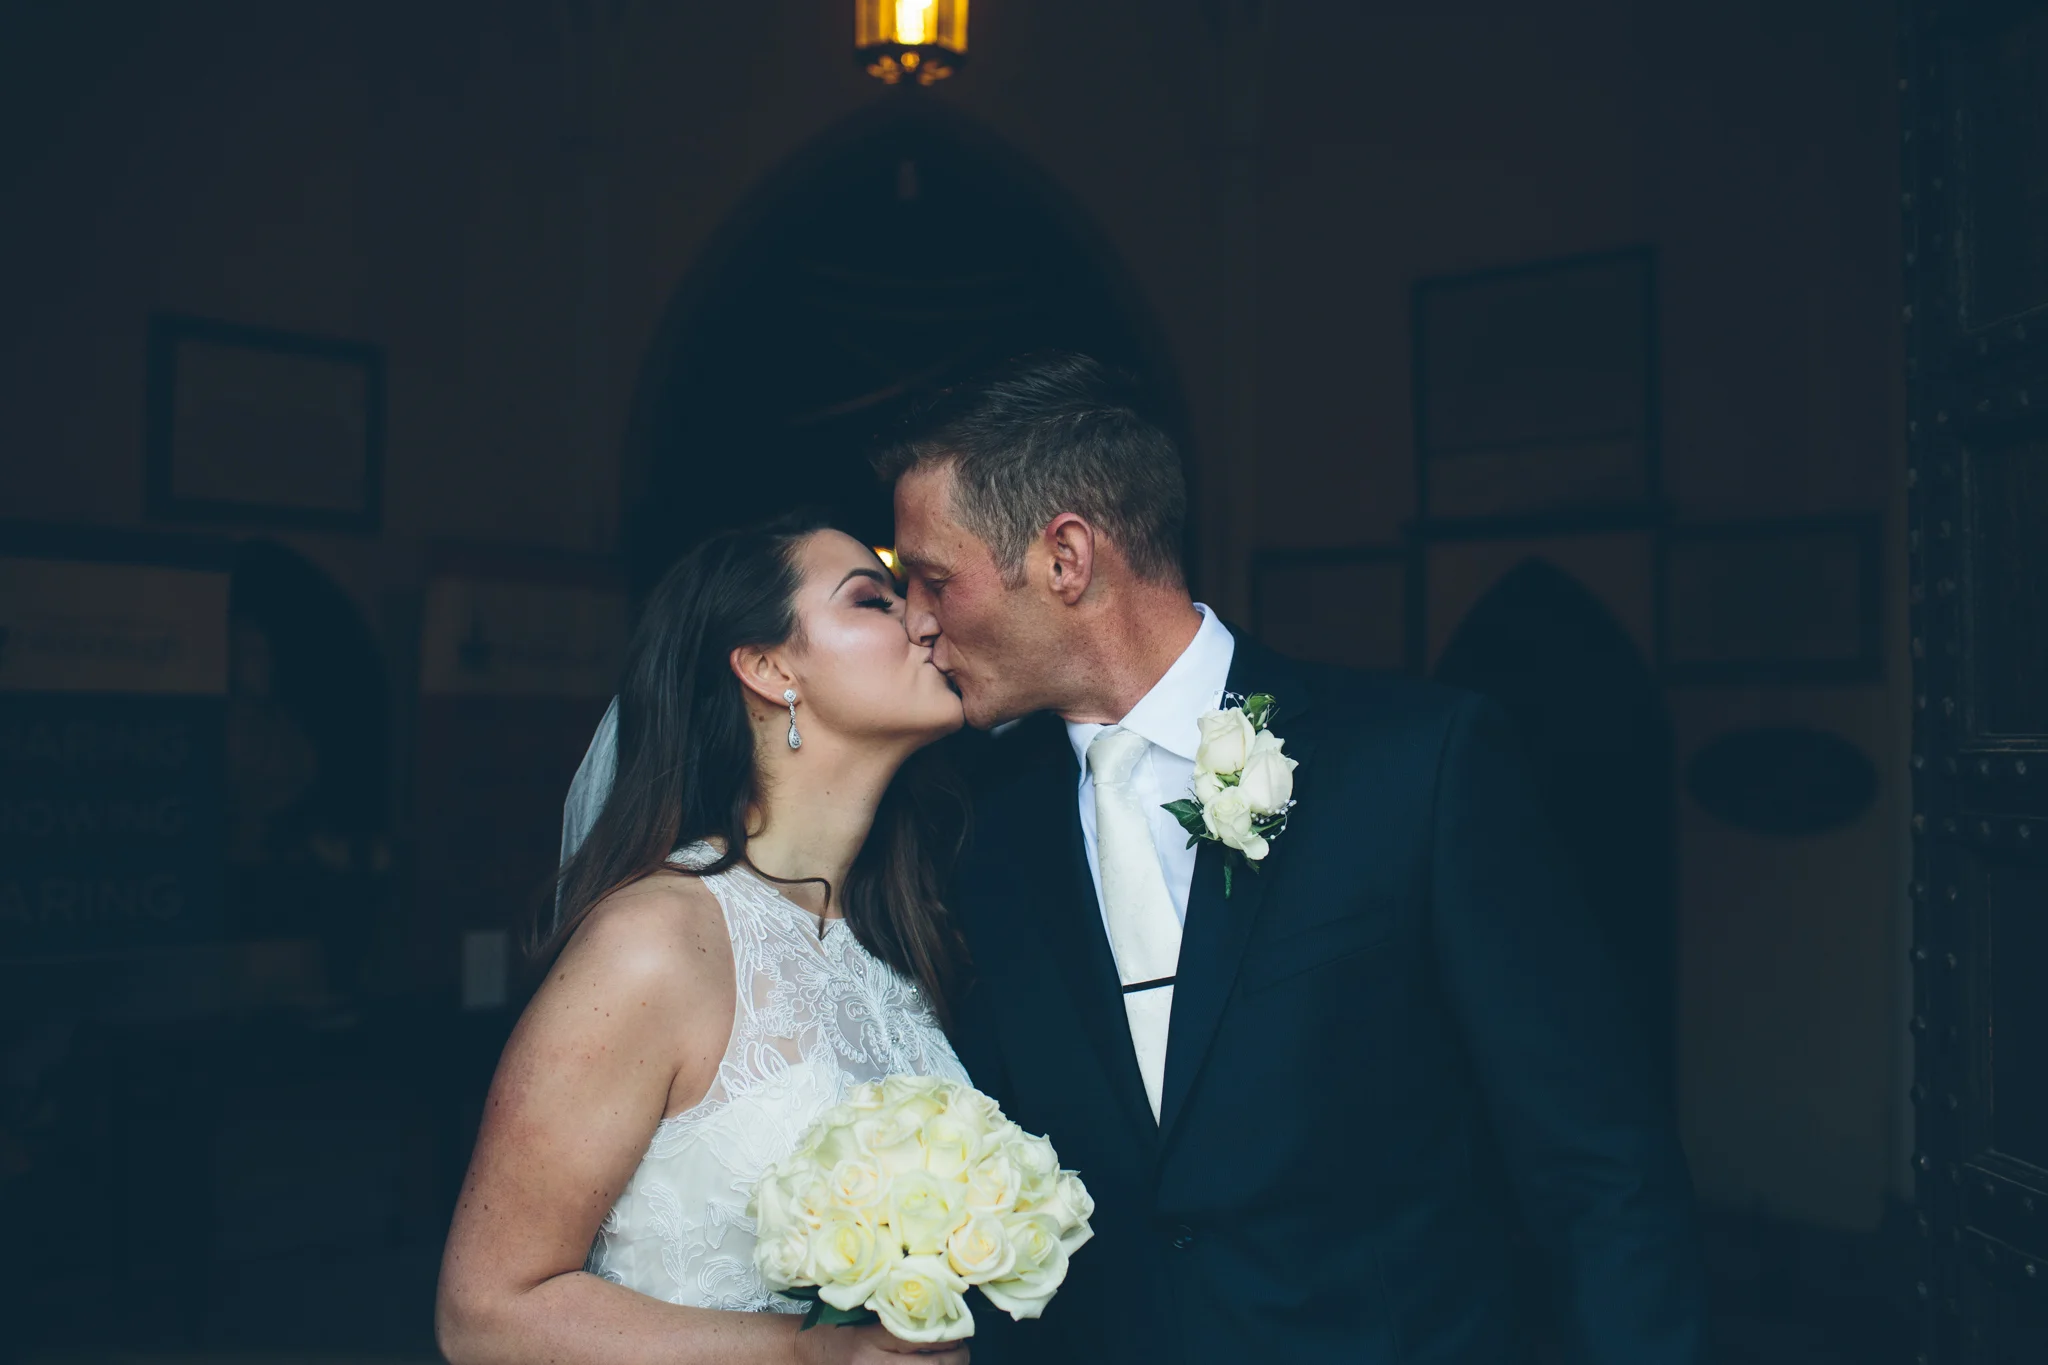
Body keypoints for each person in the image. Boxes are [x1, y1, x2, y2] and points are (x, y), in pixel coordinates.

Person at [876, 351, 1709, 1364]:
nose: (914, 623)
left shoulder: (1415, 768)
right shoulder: (984, 839)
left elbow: (1598, 1169)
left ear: (1064, 558)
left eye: (930, 579)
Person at [436, 513, 978, 1365]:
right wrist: (810, 1354)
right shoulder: (655, 940)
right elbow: (486, 1313)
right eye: (873, 599)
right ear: (769, 669)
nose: (924, 619)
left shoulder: (895, 940)